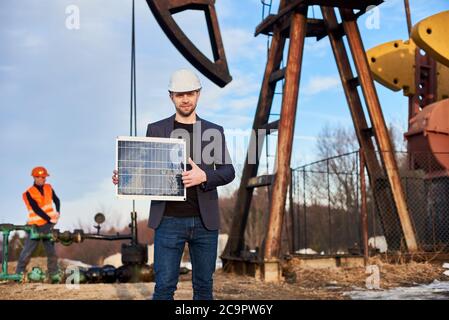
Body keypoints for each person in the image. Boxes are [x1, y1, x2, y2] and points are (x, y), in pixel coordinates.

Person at [113, 69, 235, 300]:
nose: (185, 99)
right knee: (164, 287)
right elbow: (144, 169)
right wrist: (125, 178)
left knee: (203, 287)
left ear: (198, 94)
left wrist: (205, 177)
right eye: (180, 95)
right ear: (171, 97)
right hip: (168, 220)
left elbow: (229, 172)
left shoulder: (213, 131)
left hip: (204, 221)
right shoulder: (156, 129)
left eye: (190, 93)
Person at [16, 166, 61, 281]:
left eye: (44, 177)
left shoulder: (48, 187)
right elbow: (36, 209)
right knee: (27, 251)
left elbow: (57, 200)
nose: (43, 179)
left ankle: (53, 274)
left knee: (51, 251)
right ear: (35, 177)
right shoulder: (28, 193)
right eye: (41, 177)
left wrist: (58, 211)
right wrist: (49, 218)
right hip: (35, 226)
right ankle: (18, 274)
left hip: (47, 225)